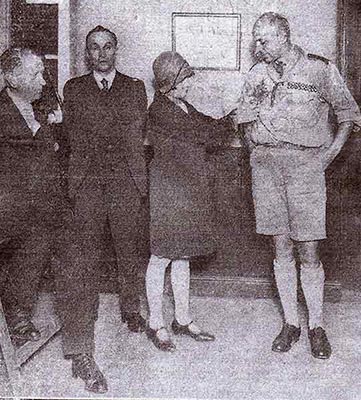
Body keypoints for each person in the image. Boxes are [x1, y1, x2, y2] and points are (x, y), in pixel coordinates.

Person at [234, 12, 361, 359]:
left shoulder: (319, 69)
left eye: (265, 40)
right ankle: (291, 322)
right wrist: (256, 150)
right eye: (256, 40)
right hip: (266, 168)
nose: (258, 47)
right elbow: (243, 118)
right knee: (281, 247)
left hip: (306, 165)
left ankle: (316, 325)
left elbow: (349, 114)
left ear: (284, 37)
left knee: (308, 249)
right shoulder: (257, 74)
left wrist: (328, 155)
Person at [58, 25, 148, 393]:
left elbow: (134, 131)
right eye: (93, 48)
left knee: (130, 250)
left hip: (125, 180)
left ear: (116, 49)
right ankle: (81, 349)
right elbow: (74, 135)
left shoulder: (135, 87)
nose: (101, 54)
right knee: (83, 261)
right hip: (88, 184)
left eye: (107, 47)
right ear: (87, 54)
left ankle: (130, 307)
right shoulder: (74, 88)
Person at [145, 51, 232, 352]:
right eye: (185, 77)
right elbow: (207, 133)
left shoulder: (181, 105)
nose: (190, 81)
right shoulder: (160, 110)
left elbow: (208, 128)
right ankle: (155, 322)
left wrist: (224, 118)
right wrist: (232, 112)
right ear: (170, 83)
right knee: (161, 257)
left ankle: (181, 319)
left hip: (186, 188)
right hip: (169, 190)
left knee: (182, 255)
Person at [0, 48, 68, 346]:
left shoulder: (39, 108)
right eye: (36, 74)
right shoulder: (3, 111)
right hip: (7, 209)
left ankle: (17, 313)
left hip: (38, 209)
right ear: (12, 78)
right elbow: (34, 143)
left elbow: (55, 151)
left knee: (39, 246)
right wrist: (48, 132)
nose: (43, 80)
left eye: (42, 72)